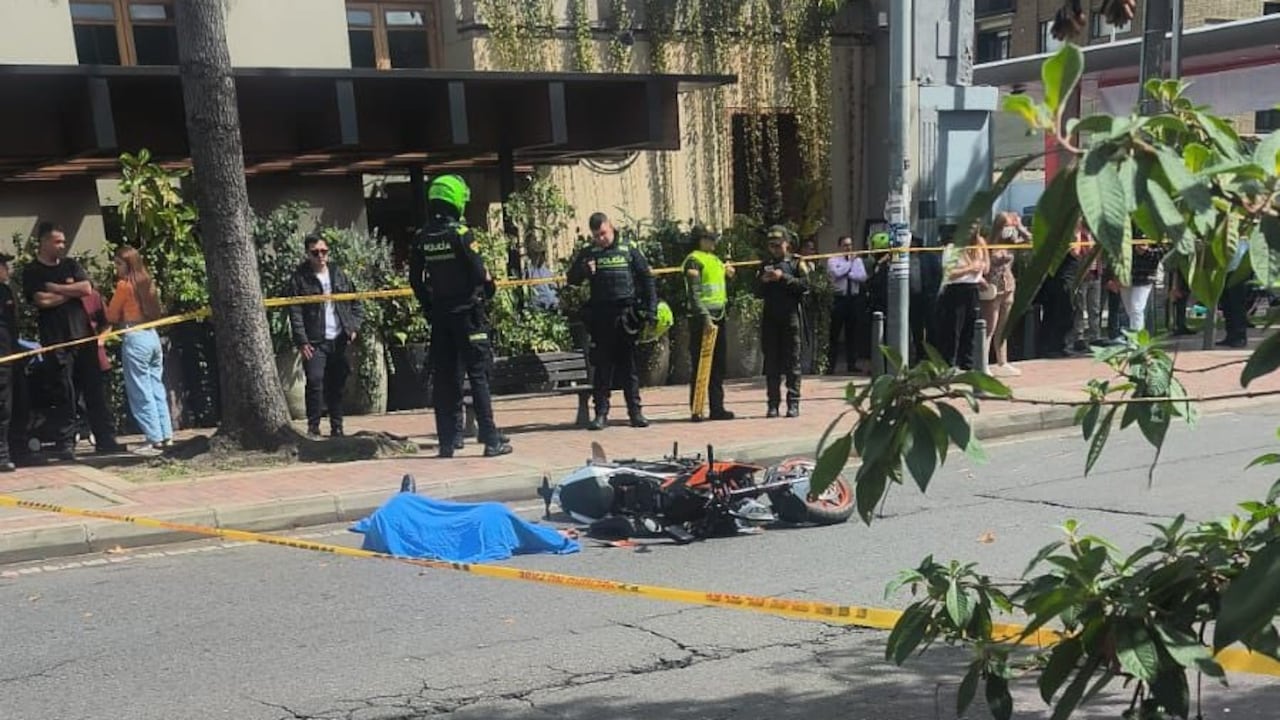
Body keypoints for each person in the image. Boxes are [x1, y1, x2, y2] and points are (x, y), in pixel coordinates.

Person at [409, 174, 512, 458]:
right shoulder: (461, 234)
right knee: (477, 375)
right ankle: (491, 440)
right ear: (456, 201)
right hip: (468, 315)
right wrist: (489, 287)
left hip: (441, 317)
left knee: (445, 378)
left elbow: (415, 281)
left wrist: (429, 306)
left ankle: (448, 441)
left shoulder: (422, 237)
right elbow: (481, 274)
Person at [21, 222, 121, 458]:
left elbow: (87, 289)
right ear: (43, 242)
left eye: (64, 241)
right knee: (64, 393)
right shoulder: (33, 271)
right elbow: (41, 301)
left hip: (84, 337)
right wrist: (70, 291)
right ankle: (66, 443)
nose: (62, 246)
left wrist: (56, 288)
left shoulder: (71, 265)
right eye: (57, 242)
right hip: (57, 341)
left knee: (94, 391)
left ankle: (106, 439)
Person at [566, 212, 657, 431]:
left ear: (611, 227)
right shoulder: (590, 253)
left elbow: (646, 279)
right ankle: (601, 414)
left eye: (603, 234)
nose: (601, 239)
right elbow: (572, 279)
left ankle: (635, 413)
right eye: (596, 236)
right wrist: (584, 271)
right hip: (601, 317)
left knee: (629, 368)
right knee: (602, 368)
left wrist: (651, 310)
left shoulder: (628, 249)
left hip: (625, 316)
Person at [287, 233, 364, 438]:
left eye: (324, 251)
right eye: (315, 252)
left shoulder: (339, 274)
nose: (320, 256)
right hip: (315, 340)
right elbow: (295, 312)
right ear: (308, 254)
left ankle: (337, 427)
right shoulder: (300, 278)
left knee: (337, 383)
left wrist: (353, 327)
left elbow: (356, 302)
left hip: (339, 338)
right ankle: (313, 427)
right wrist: (302, 341)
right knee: (315, 381)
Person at [105, 246, 173, 456]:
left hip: (134, 337)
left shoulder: (124, 286)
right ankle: (166, 434)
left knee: (140, 390)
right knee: (156, 386)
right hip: (152, 336)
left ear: (128, 265)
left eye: (118, 263)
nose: (115, 267)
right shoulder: (147, 283)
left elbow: (112, 315)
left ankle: (153, 438)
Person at [754, 225, 809, 418]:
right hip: (771, 319)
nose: (775, 249)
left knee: (792, 363)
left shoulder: (795, 263)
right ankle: (772, 404)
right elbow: (757, 292)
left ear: (787, 244)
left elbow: (805, 286)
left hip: (790, 318)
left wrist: (783, 277)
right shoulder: (765, 264)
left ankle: (793, 404)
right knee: (772, 365)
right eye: (771, 246)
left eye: (778, 245)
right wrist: (764, 281)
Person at [682, 224, 735, 422]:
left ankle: (717, 407)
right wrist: (705, 319)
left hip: (719, 316)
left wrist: (729, 274)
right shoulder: (694, 261)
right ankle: (697, 408)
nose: (714, 242)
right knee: (701, 365)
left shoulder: (714, 259)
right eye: (710, 238)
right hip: (702, 320)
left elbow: (718, 286)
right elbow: (694, 295)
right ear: (701, 240)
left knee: (718, 366)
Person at [982, 212, 1028, 377]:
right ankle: (984, 362)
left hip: (1008, 285)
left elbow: (1032, 241)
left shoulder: (1011, 242)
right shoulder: (989, 243)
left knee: (1004, 327)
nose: (1008, 230)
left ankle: (1003, 361)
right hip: (994, 287)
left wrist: (1020, 227)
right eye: (1006, 226)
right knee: (990, 327)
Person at [935, 227, 988, 370]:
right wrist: (970, 269)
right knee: (953, 330)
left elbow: (986, 268)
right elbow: (949, 273)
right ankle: (949, 365)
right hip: (956, 290)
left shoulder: (977, 248)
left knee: (971, 328)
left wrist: (983, 249)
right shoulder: (953, 248)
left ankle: (967, 364)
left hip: (973, 289)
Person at [825, 235, 868, 374]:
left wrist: (849, 274)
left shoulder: (858, 260)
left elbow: (862, 277)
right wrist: (850, 266)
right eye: (845, 245)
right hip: (839, 299)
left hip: (853, 299)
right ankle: (830, 365)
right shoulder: (833, 260)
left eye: (850, 245)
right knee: (835, 333)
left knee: (852, 332)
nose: (848, 248)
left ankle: (852, 364)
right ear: (839, 247)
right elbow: (836, 273)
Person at [0, 253, 16, 471]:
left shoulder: (5, 290)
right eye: (4, 265)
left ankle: (6, 452)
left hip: (8, 355)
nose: (7, 268)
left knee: (6, 406)